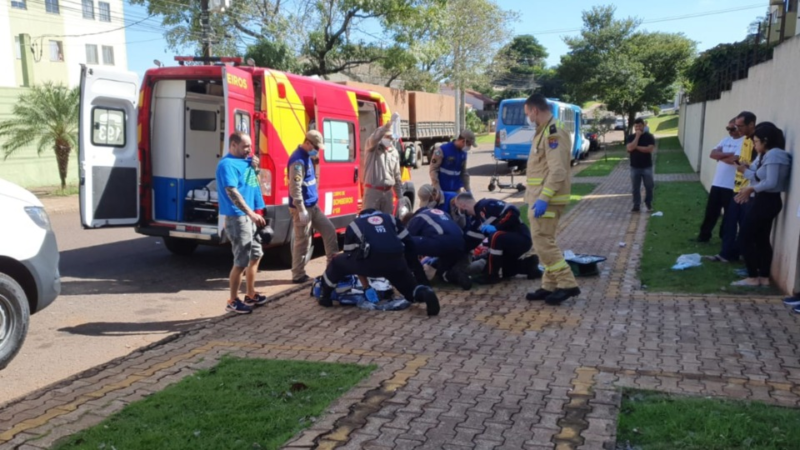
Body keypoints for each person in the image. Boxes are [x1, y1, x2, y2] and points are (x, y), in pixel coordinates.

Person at [318, 209, 440, 316]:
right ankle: (424, 293)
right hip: (396, 262)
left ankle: (325, 296)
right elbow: (409, 244)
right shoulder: (391, 219)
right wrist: (411, 269)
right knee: (410, 290)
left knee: (337, 262)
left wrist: (365, 285)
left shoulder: (355, 224)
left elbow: (350, 255)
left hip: (370, 264)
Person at [523, 93, 580, 304]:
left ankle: (567, 283)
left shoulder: (553, 133)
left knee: (543, 243)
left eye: (527, 112)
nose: (527, 117)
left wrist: (544, 198)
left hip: (546, 200)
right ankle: (549, 285)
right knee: (545, 242)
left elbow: (558, 171)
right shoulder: (544, 131)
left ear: (535, 110)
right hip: (540, 198)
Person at [731, 123, 791, 287]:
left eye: (756, 141)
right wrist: (743, 170)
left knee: (745, 237)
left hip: (767, 201)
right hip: (762, 199)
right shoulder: (765, 154)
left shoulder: (775, 155)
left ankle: (753, 276)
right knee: (761, 238)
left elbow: (771, 182)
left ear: (766, 140)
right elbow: (757, 176)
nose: (754, 145)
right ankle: (763, 277)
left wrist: (751, 188)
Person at [216, 131, 269, 314]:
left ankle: (250, 294)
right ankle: (232, 300)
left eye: (250, 146)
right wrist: (250, 213)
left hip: (250, 216)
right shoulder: (227, 164)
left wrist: (255, 169)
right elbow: (232, 192)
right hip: (238, 217)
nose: (249, 150)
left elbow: (251, 183)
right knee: (240, 261)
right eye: (245, 146)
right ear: (233, 145)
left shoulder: (246, 162)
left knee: (256, 255)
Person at [287, 130, 339, 283]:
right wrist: (301, 208)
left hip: (313, 206)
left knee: (329, 231)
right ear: (308, 143)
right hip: (301, 208)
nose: (317, 150)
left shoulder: (307, 157)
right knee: (303, 242)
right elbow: (295, 187)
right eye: (315, 147)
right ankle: (298, 275)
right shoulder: (298, 160)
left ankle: (333, 268)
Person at [454, 193, 541, 285]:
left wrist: (497, 227)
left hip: (521, 237)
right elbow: (469, 242)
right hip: (506, 244)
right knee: (507, 271)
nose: (458, 211)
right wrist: (452, 253)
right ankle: (529, 265)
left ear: (463, 205)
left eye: (458, 207)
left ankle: (491, 275)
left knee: (495, 236)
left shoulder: (487, 204)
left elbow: (512, 211)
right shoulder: (475, 221)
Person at [706, 111, 757, 263]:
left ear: (751, 125)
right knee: (729, 221)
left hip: (749, 190)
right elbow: (714, 154)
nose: (737, 129)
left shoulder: (752, 141)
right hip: (737, 187)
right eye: (734, 127)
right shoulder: (746, 140)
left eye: (739, 126)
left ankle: (744, 256)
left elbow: (740, 161)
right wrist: (729, 159)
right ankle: (726, 254)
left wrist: (729, 160)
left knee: (744, 224)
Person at [696, 119, 744, 242]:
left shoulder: (743, 142)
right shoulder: (725, 140)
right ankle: (704, 236)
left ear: (738, 128)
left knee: (728, 214)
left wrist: (721, 155)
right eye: (728, 129)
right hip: (717, 183)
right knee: (711, 211)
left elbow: (735, 160)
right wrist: (727, 155)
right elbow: (712, 154)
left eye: (732, 129)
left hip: (731, 185)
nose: (730, 132)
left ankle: (725, 237)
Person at [403, 206, 472, 290]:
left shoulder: (417, 218)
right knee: (442, 271)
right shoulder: (442, 213)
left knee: (407, 244)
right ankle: (455, 274)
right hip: (460, 244)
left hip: (441, 243)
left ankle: (421, 280)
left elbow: (408, 238)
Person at [363, 112, 403, 215]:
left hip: (388, 193)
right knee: (370, 220)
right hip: (373, 192)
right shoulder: (372, 148)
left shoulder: (394, 152)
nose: (390, 139)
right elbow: (375, 137)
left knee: (387, 222)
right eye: (387, 136)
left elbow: (397, 176)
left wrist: (400, 197)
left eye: (391, 137)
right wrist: (389, 124)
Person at [626, 117, 656, 212]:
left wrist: (635, 147)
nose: (637, 128)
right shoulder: (631, 137)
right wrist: (637, 137)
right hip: (634, 167)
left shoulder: (649, 137)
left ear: (643, 125)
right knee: (635, 187)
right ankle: (636, 205)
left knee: (649, 186)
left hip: (647, 166)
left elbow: (649, 149)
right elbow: (629, 148)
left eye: (639, 126)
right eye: (636, 126)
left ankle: (648, 203)